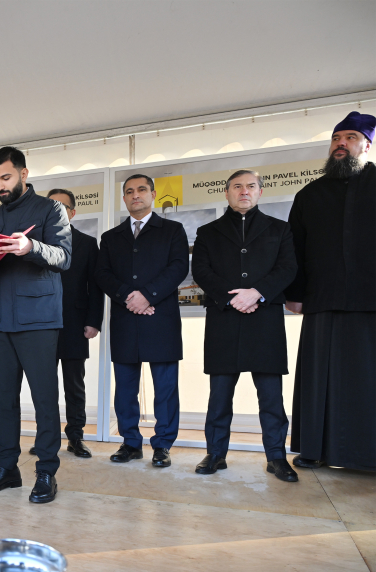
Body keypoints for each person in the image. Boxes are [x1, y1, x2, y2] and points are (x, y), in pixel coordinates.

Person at [0, 146, 72, 504]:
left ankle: (46, 472)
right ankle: (7, 468)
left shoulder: (50, 209)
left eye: (6, 178)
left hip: (38, 319)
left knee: (44, 399)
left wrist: (31, 247)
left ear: (24, 174)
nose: (0, 186)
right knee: (3, 400)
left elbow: (64, 257)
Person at [191, 170, 299, 481]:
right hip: (224, 319)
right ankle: (215, 453)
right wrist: (233, 298)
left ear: (260, 192)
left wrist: (257, 293)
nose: (244, 191)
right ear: (226, 193)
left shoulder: (280, 228)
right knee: (220, 394)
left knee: (271, 395)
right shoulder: (208, 231)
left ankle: (276, 456)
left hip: (265, 319)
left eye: (251, 186)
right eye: (237, 186)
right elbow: (201, 270)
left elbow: (288, 268)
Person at [285, 112, 376, 472]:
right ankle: (315, 449)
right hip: (323, 299)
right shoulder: (309, 194)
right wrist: (295, 293)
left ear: (366, 145)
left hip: (371, 299)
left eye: (350, 137)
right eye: (337, 138)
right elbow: (295, 248)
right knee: (320, 378)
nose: (341, 144)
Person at [95, 174, 188, 468]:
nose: (136, 195)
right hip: (125, 320)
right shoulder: (111, 237)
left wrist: (147, 296)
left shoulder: (172, 230)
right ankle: (130, 443)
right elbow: (102, 274)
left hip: (161, 320)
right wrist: (129, 297)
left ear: (153, 194)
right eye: (129, 191)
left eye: (142, 189)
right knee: (125, 390)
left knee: (165, 389)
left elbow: (178, 268)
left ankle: (163, 445)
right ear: (124, 198)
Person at [27, 189, 103, 459]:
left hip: (75, 323)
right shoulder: (33, 242)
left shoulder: (87, 243)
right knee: (43, 386)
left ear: (72, 213)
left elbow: (95, 286)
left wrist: (94, 321)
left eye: (61, 207)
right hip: (40, 324)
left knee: (74, 384)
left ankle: (75, 437)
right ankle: (46, 438)